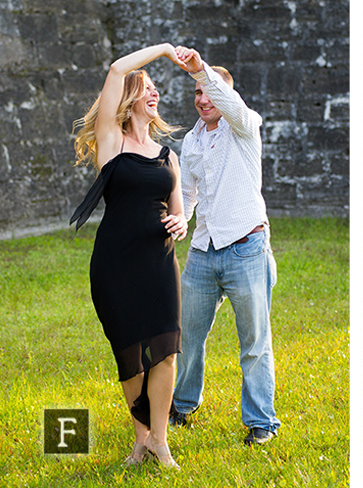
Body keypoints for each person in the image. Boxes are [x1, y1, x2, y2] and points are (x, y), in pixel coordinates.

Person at [70, 43, 189, 469]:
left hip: (160, 262)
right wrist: (164, 52)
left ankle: (159, 440)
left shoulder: (168, 156)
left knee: (167, 349)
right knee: (130, 354)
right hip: (116, 266)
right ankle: (141, 439)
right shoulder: (111, 142)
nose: (154, 92)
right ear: (129, 98)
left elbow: (177, 209)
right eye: (147, 87)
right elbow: (118, 68)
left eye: (157, 88)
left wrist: (182, 223)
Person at [169, 47, 280, 446]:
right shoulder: (192, 142)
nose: (202, 100)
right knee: (186, 337)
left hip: (246, 248)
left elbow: (231, 104)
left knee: (254, 342)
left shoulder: (244, 126)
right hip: (202, 253)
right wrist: (181, 217)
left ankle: (260, 422)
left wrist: (202, 72)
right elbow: (188, 193)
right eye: (196, 94)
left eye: (208, 92)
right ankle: (181, 406)